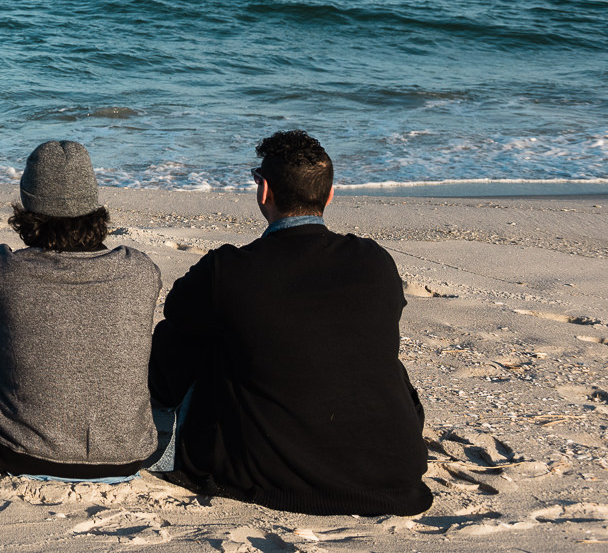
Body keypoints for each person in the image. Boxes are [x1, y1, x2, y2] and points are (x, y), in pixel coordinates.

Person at [148, 130, 432, 516]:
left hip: (273, 469)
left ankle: (153, 440)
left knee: (186, 335)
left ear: (264, 191)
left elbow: (176, 317)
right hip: (393, 466)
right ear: (329, 195)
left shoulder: (228, 268)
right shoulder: (375, 261)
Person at [0, 139, 163, 480]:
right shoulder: (140, 270)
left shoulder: (1, 270)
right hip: (127, 456)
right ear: (94, 205)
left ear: (27, 207)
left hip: (19, 452)